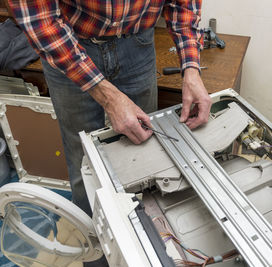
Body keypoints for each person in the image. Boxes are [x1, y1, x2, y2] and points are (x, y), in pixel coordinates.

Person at [7, 1, 211, 265]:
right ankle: (98, 257)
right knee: (85, 167)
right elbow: (39, 19)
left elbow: (182, 5)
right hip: (69, 44)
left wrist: (191, 68)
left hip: (137, 45)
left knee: (143, 162)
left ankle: (140, 254)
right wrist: (110, 98)